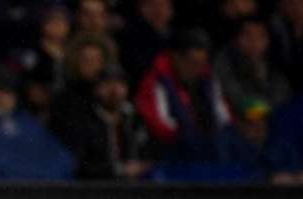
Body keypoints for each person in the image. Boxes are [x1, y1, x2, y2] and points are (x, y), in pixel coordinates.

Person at [135, 29, 231, 163]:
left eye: (201, 63)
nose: (197, 69)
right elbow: (159, 125)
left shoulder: (207, 78)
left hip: (208, 149)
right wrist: (192, 140)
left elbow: (223, 116)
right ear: (176, 57)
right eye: (192, 62)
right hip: (170, 152)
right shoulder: (156, 81)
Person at [58, 64, 153, 180]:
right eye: (107, 84)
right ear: (96, 89)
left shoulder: (135, 120)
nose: (114, 90)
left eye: (120, 84)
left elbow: (149, 156)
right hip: (97, 190)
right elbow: (78, 165)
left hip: (137, 190)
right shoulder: (83, 122)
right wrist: (119, 170)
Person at [214, 16, 290, 111]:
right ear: (237, 38)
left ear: (268, 41)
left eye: (260, 36)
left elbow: (282, 98)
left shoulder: (274, 63)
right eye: (247, 36)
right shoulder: (224, 62)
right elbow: (237, 100)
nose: (254, 42)